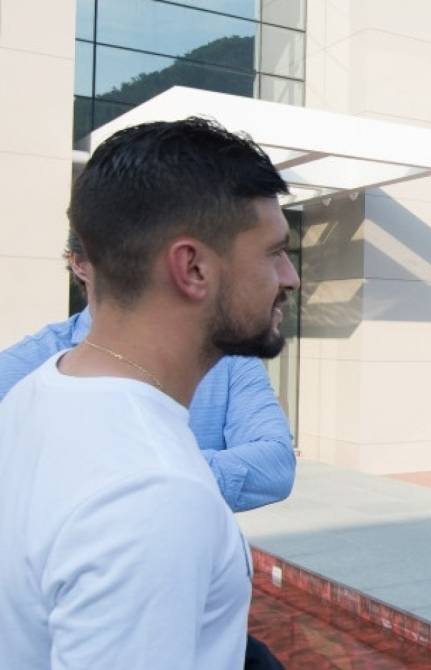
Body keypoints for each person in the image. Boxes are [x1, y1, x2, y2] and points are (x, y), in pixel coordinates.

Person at [0, 117, 300, 669]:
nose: (291, 277)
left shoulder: (40, 391)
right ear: (193, 268)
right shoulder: (152, 495)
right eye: (275, 253)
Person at [0, 231, 295, 513]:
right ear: (79, 263)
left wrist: (131, 476)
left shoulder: (227, 354)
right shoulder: (25, 367)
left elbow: (275, 465)